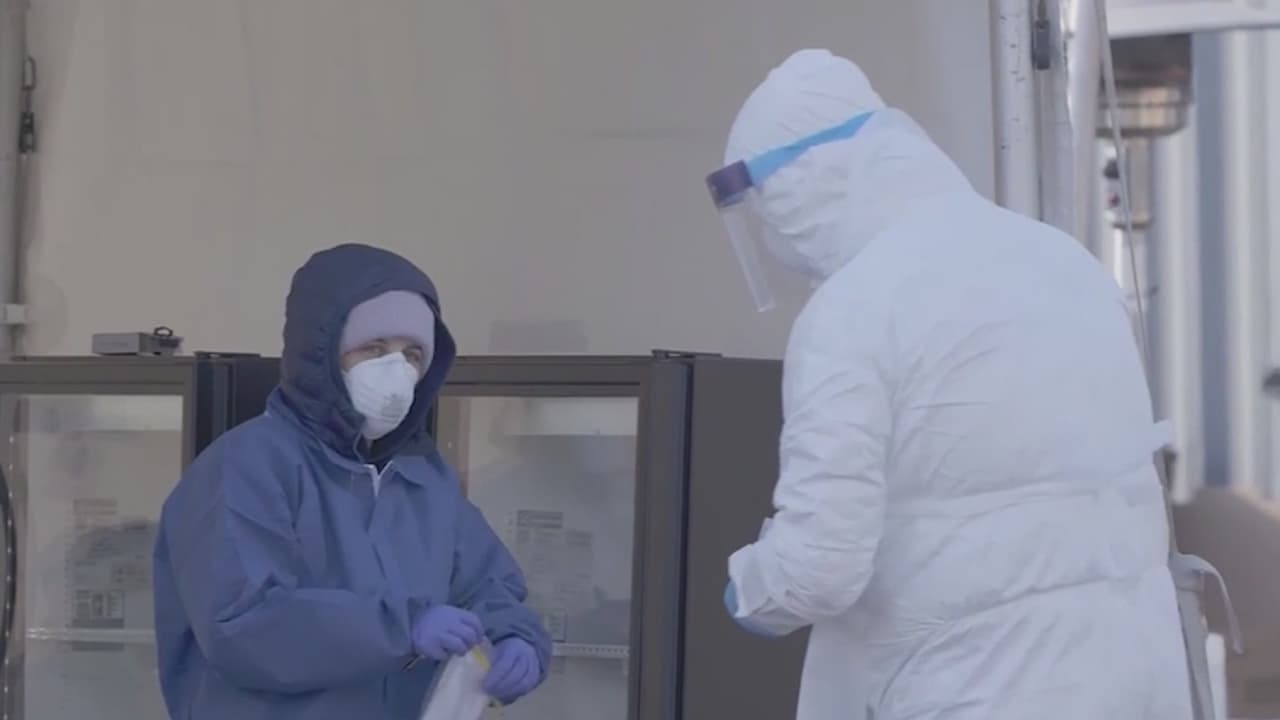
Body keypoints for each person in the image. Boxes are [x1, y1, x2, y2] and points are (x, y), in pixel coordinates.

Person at [711, 50, 1193, 719]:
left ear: (801, 186)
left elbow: (817, 568)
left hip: (970, 686)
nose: (771, 237)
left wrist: (748, 587)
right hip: (1135, 680)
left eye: (766, 211)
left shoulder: (854, 310)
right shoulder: (1066, 262)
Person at [152, 243, 551, 719]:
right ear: (320, 353)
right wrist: (403, 629)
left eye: (412, 354)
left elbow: (486, 584)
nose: (396, 371)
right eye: (373, 349)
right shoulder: (246, 467)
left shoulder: (423, 478)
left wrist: (516, 637)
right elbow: (244, 623)